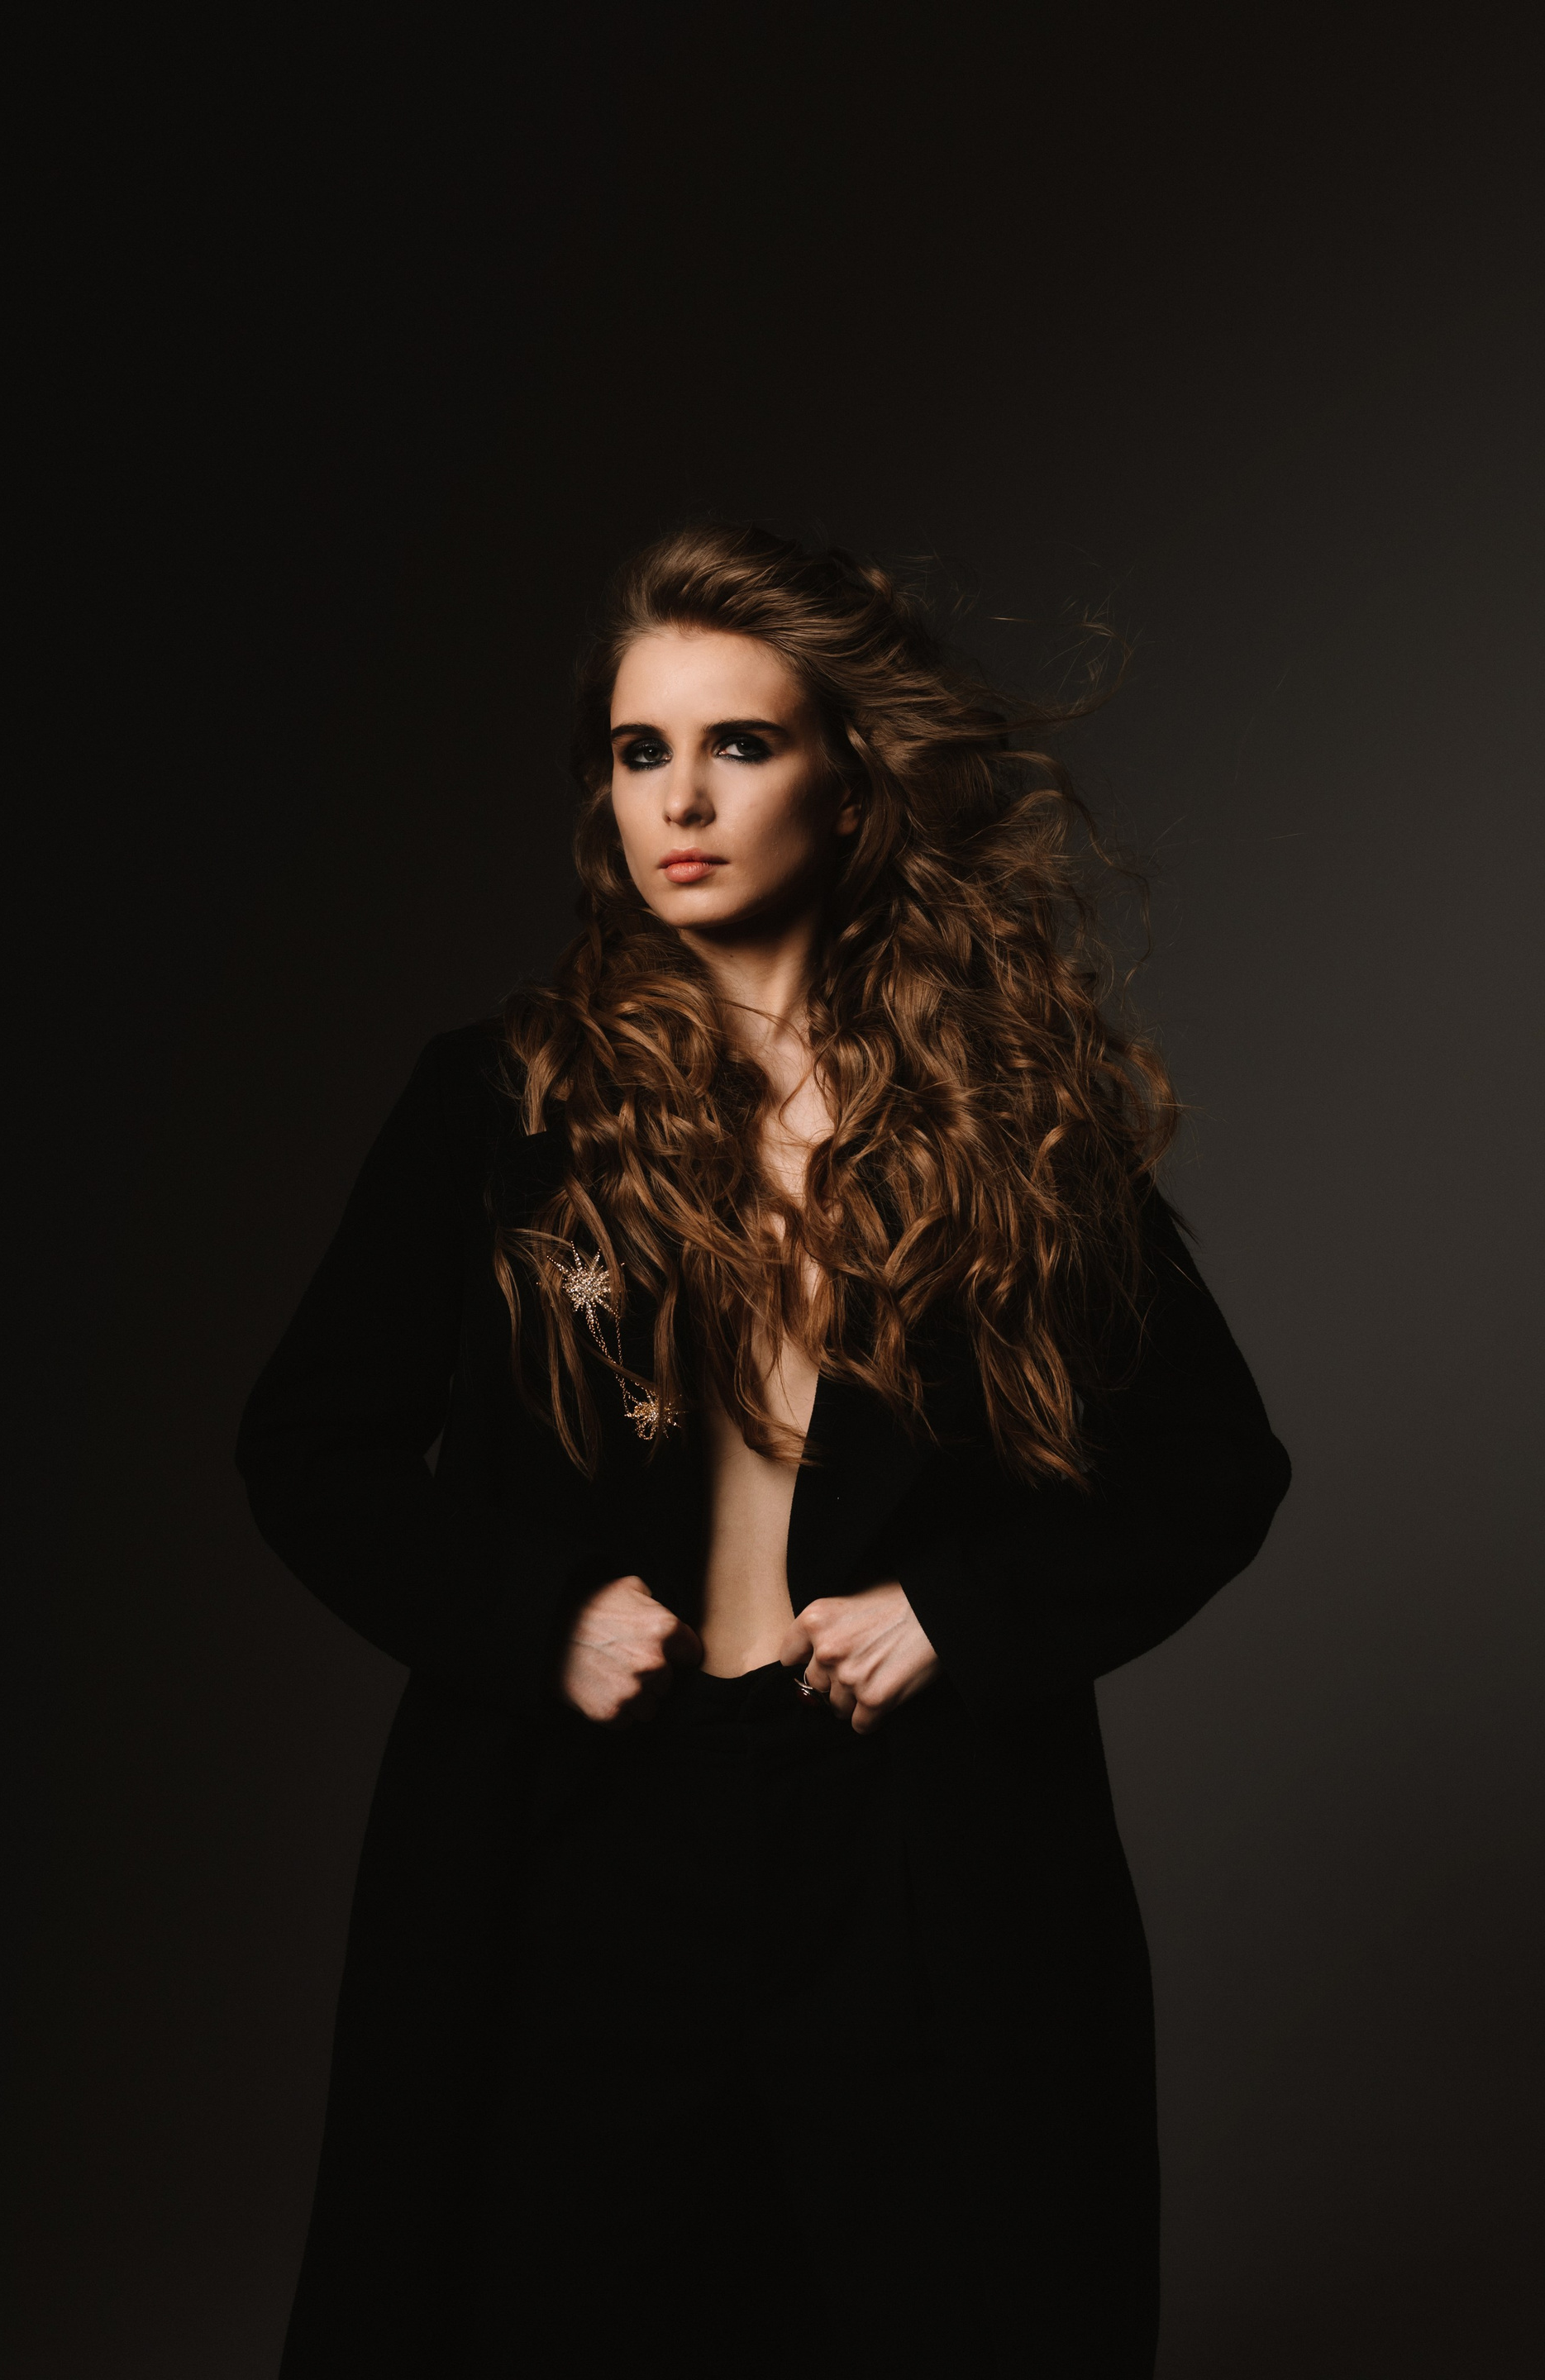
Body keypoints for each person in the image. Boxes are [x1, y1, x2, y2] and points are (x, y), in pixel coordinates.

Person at [237, 522, 1290, 2377]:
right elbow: (311, 1445)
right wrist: (538, 1618)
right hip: (582, 1827)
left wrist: (958, 1614)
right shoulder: (501, 1106)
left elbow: (1212, 1465)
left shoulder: (1005, 1119)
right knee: (543, 2311)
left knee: (934, 2310)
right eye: (639, 752)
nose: (681, 801)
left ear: (850, 779)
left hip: (906, 1839)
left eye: (740, 744)